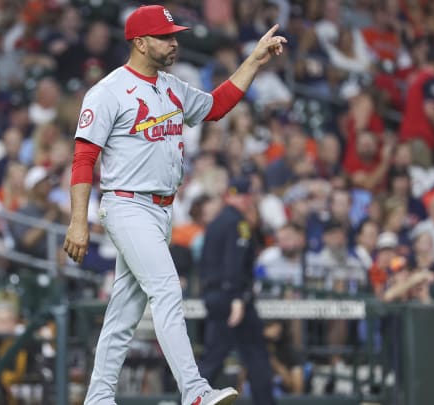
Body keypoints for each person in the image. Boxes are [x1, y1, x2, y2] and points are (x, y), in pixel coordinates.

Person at [62, 5, 287, 405]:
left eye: (174, 34)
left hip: (162, 209)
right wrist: (78, 221)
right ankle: (194, 391)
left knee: (124, 311)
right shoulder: (108, 91)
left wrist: (253, 61)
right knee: (167, 291)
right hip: (127, 204)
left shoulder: (171, 86)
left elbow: (216, 107)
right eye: (165, 36)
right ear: (140, 42)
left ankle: (98, 398)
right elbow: (83, 159)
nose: (174, 42)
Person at [198, 177, 275, 405]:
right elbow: (233, 263)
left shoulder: (218, 221)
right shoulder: (236, 223)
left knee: (217, 355)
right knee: (252, 355)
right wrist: (237, 298)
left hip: (217, 295)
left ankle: (190, 399)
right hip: (232, 298)